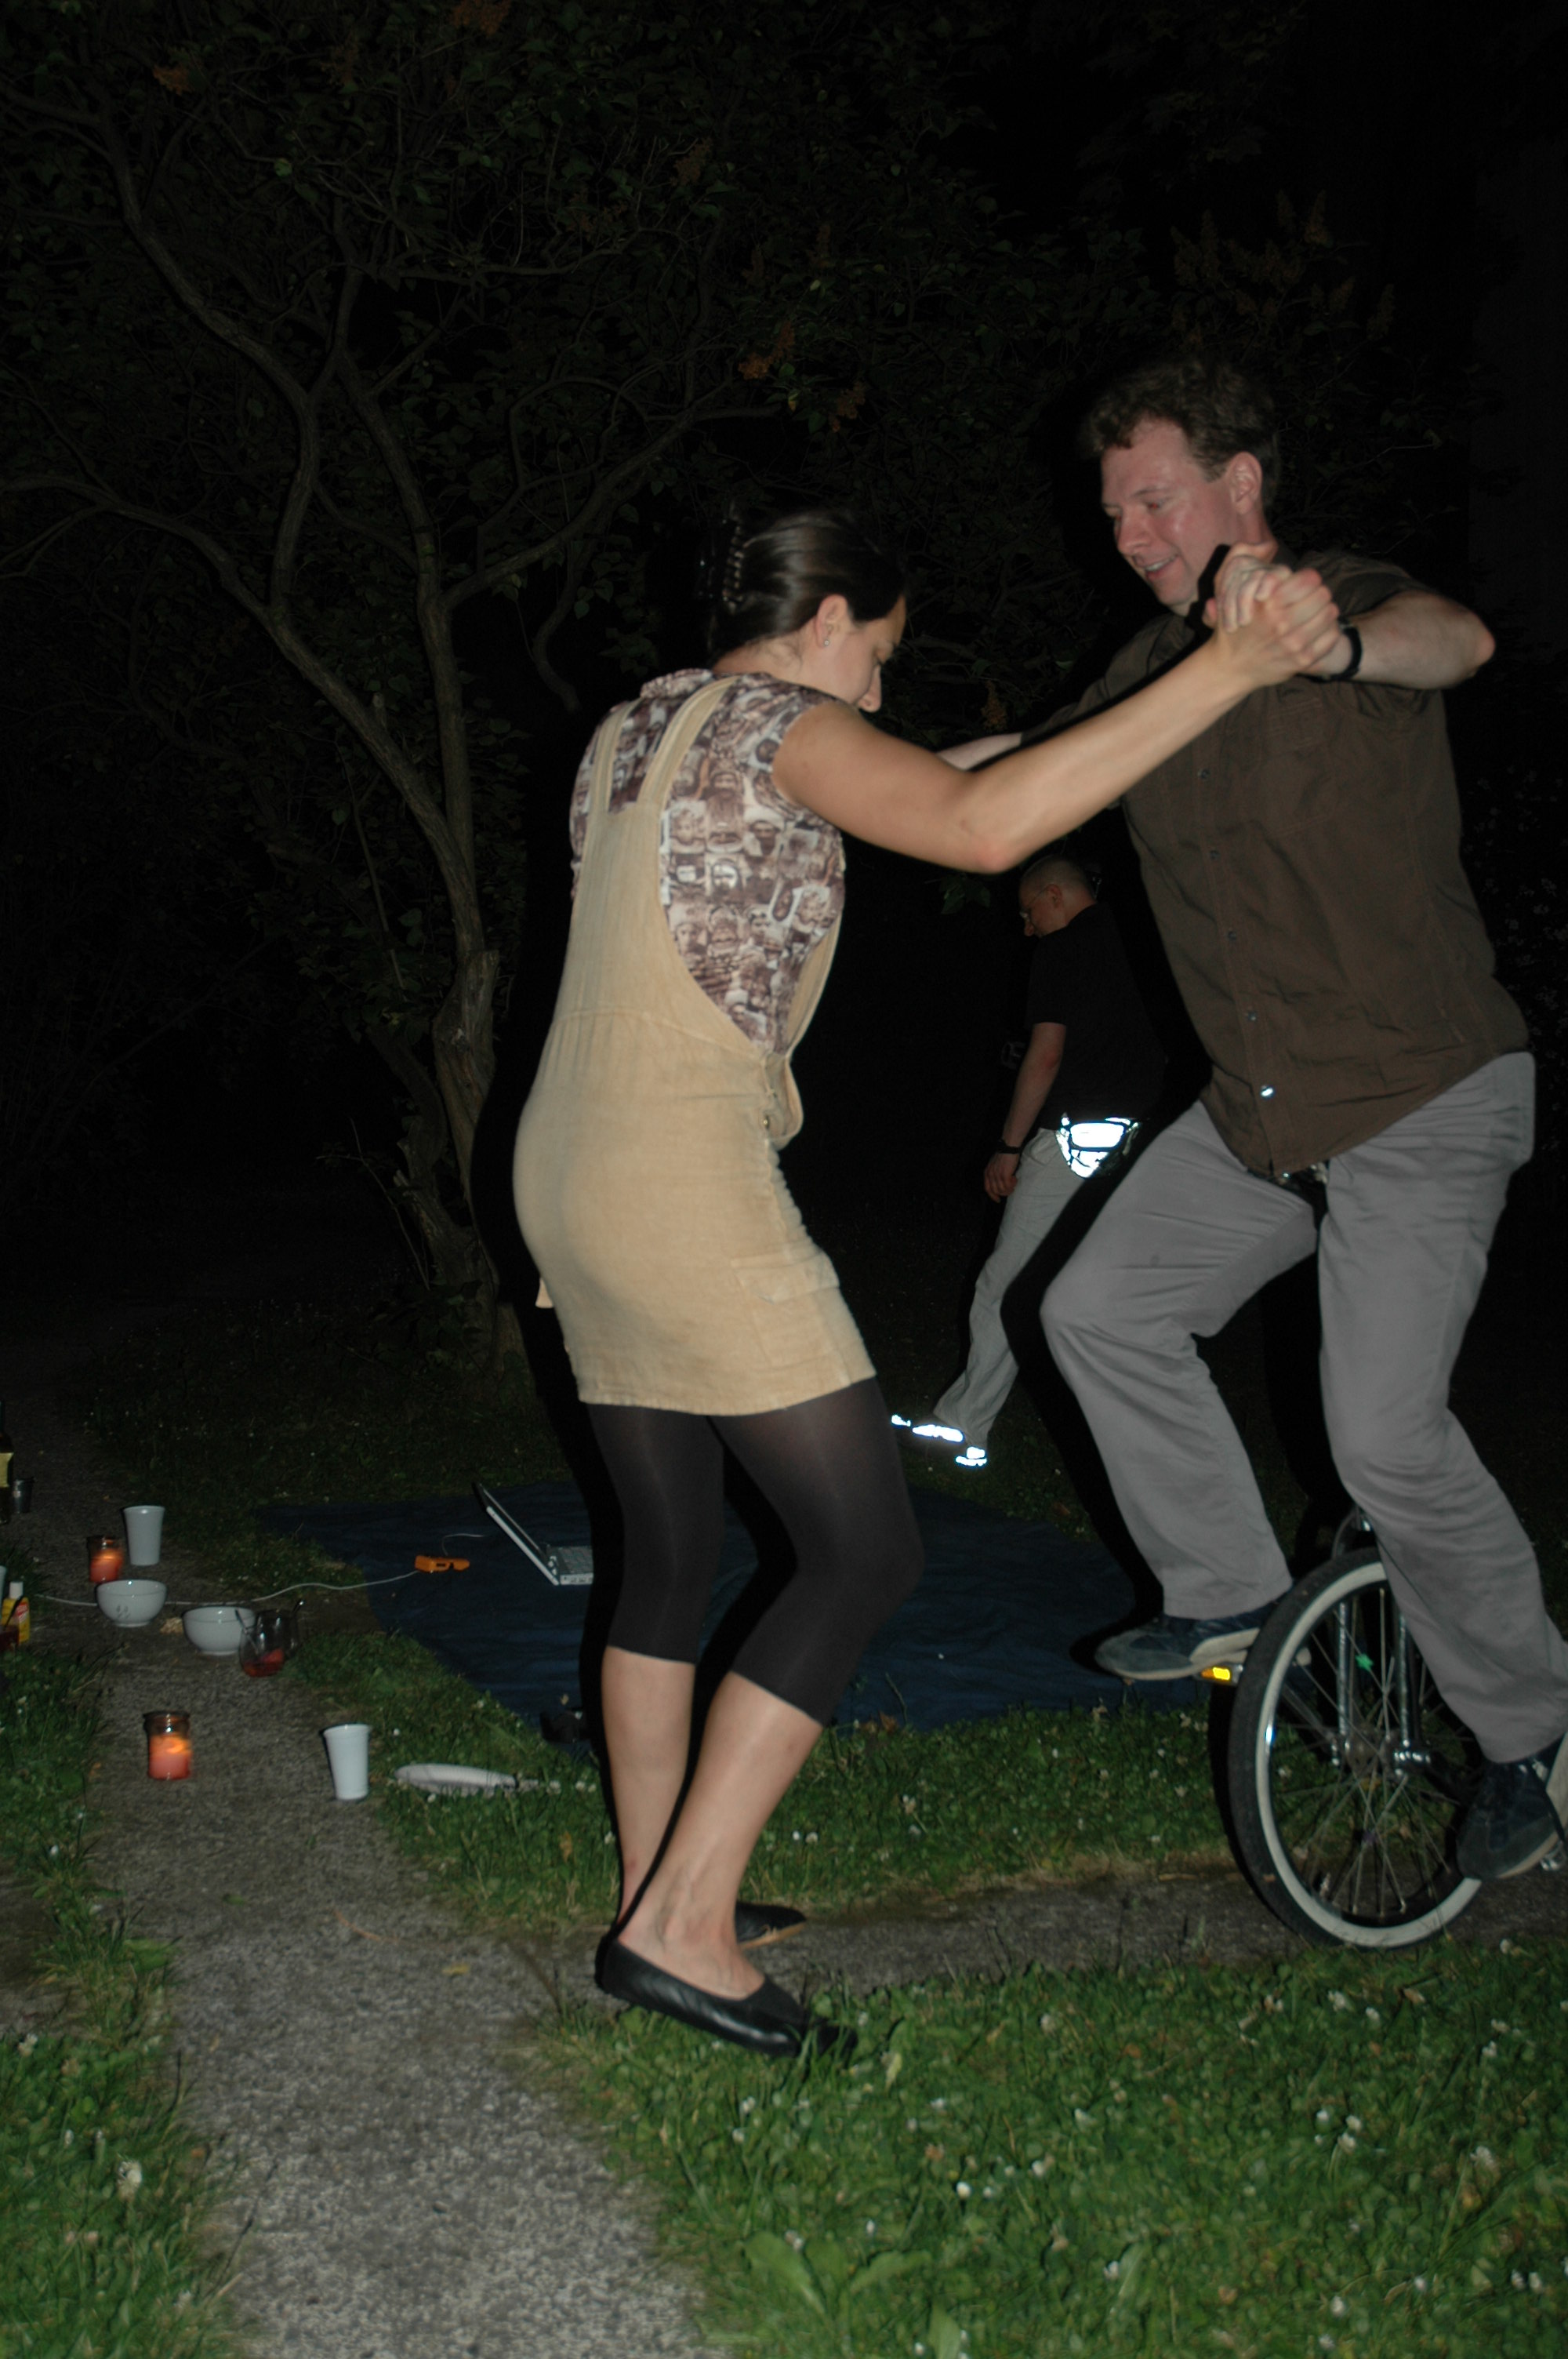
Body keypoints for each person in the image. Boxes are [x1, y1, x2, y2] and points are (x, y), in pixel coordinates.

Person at [514, 502, 1341, 2059]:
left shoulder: (641, 728)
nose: (880, 692)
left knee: (667, 1551)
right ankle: (681, 1928)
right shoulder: (787, 723)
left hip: (565, 1164)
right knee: (862, 1548)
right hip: (675, 1167)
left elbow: (934, 777)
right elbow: (975, 827)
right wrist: (1227, 667)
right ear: (827, 621)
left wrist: (1098, 722)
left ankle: (655, 1885)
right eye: (879, 656)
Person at [983, 354, 1563, 1882]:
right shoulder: (1150, 666)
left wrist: (1335, 641)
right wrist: (824, 761)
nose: (1127, 533)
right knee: (1093, 1306)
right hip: (1258, 1113)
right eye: (1112, 510)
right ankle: (1230, 1590)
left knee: (1381, 1435)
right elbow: (1016, 765)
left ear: (1241, 485)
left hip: (1422, 1091)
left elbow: (1454, 640)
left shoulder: (1341, 601)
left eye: (1152, 498)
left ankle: (1538, 1733)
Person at [896, 853, 1165, 1471]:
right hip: (1141, 1144)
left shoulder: (1063, 950)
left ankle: (962, 1426)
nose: (1026, 927)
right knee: (1105, 1294)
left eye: (1028, 912)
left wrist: (1010, 1146)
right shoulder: (1144, 942)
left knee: (1008, 1281)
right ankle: (1140, 1444)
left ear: (1054, 895)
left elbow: (1045, 1055)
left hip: (1074, 1141)